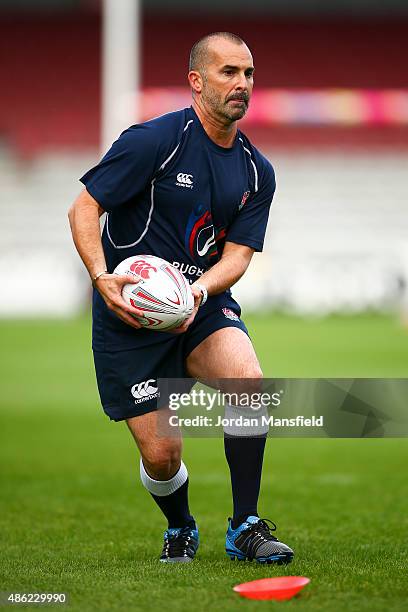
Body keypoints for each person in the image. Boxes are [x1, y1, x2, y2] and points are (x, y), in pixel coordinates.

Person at [68, 31, 294, 564]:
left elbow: (237, 256)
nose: (242, 84)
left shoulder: (258, 171)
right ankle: (180, 524)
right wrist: (102, 278)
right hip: (131, 316)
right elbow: (83, 209)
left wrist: (196, 290)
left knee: (248, 382)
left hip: (199, 303)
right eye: (228, 72)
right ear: (196, 81)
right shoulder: (153, 141)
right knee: (163, 455)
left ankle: (244, 526)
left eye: (249, 74)